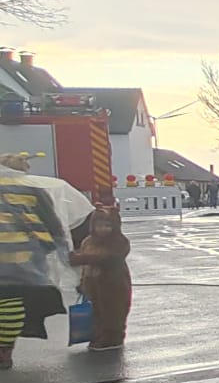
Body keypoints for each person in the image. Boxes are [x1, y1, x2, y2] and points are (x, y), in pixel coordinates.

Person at [0, 154, 91, 371]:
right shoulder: (35, 189)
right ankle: (4, 351)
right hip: (22, 262)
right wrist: (66, 261)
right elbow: (55, 227)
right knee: (11, 302)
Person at [69, 203, 132, 350]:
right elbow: (86, 266)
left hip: (114, 284)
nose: (103, 229)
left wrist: (81, 258)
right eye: (99, 225)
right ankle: (98, 335)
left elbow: (107, 258)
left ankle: (113, 338)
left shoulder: (120, 241)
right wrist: (82, 282)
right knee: (96, 312)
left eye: (107, 225)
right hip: (93, 284)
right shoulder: (88, 241)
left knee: (113, 312)